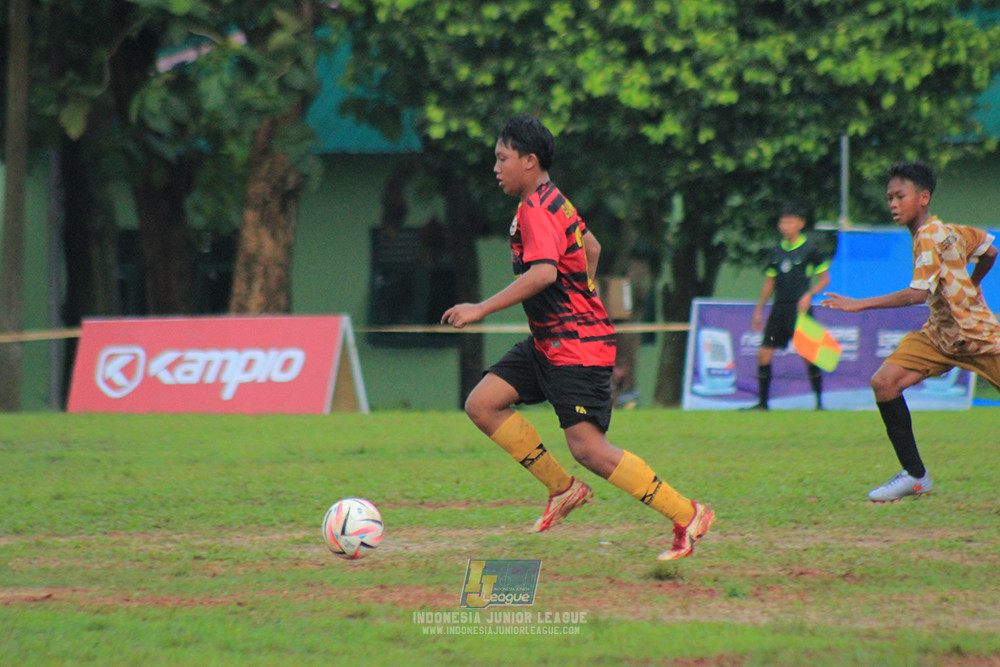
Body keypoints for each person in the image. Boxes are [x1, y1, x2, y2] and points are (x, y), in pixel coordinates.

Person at [441, 115, 715, 560]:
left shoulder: (534, 209)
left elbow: (544, 273)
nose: (496, 167)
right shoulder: (555, 200)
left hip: (574, 346)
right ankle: (562, 489)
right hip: (551, 340)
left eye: (502, 158)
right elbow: (592, 248)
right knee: (483, 403)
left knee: (589, 448)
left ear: (529, 161)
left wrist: (481, 308)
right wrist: (581, 296)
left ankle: (688, 513)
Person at [822, 161, 1000, 502]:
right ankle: (916, 477)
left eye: (899, 196)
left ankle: (915, 476)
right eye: (889, 197)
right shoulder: (951, 231)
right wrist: (973, 284)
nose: (892, 203)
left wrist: (859, 304)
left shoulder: (930, 235)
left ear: (923, 197)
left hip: (978, 337)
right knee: (885, 382)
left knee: (884, 383)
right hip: (940, 336)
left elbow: (917, 294)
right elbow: (990, 250)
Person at [744, 204, 831, 411]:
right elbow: (769, 282)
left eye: (790, 221)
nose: (785, 226)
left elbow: (825, 279)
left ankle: (819, 403)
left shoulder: (810, 250)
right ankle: (763, 403)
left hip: (799, 310)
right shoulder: (776, 251)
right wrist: (758, 310)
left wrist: (809, 295)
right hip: (779, 309)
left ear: (800, 224)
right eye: (782, 222)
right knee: (764, 353)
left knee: (808, 355)